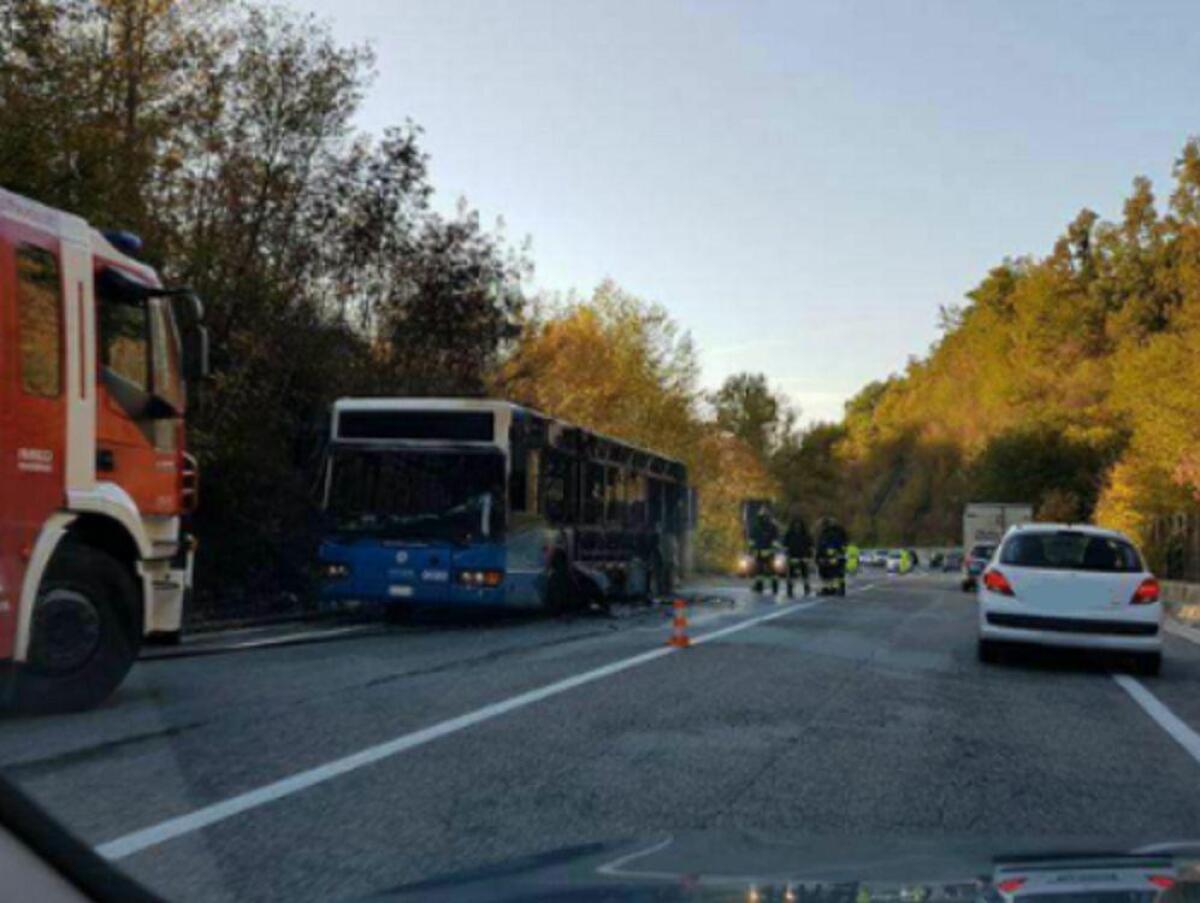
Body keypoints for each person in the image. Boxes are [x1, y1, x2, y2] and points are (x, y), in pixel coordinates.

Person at [749, 509, 780, 593]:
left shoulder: (758, 527)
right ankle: (770, 587)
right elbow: (752, 540)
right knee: (763, 571)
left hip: (763, 552)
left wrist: (751, 549)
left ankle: (763, 587)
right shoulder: (771, 526)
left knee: (762, 571)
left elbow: (752, 540)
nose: (764, 519)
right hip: (764, 552)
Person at [783, 512, 813, 597]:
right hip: (792, 556)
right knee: (791, 575)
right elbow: (785, 545)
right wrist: (787, 555)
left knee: (805, 574)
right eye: (796, 524)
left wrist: (808, 556)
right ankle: (790, 590)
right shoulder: (789, 534)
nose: (797, 526)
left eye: (799, 524)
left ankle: (806, 589)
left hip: (803, 557)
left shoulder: (805, 534)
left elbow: (810, 546)